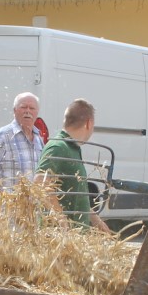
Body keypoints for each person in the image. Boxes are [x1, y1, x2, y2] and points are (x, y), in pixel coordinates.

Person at [37, 99, 111, 232]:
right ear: (89, 123)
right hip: (57, 241)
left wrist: (95, 219)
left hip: (73, 241)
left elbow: (74, 193)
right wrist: (61, 219)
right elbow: (39, 184)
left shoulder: (72, 148)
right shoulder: (58, 146)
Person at [0, 92, 44, 205]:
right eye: (23, 107)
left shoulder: (39, 138)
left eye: (32, 108)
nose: (28, 111)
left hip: (33, 214)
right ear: (15, 110)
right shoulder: (3, 136)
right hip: (9, 212)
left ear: (37, 112)